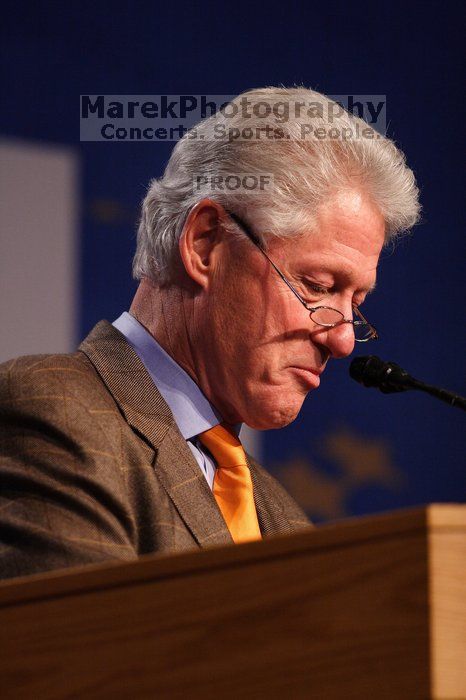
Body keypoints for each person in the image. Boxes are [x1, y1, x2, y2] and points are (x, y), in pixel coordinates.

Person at [0, 87, 420, 580]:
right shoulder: (57, 415)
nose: (343, 340)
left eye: (357, 303)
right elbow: (78, 652)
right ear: (204, 244)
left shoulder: (288, 524)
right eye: (318, 286)